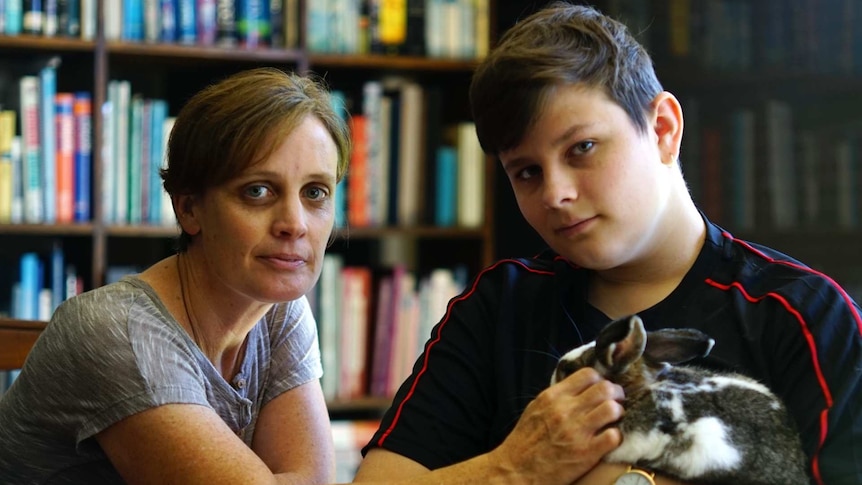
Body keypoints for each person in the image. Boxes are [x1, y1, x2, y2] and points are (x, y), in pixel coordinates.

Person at [354, 3, 862, 485]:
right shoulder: (497, 308)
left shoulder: (806, 315)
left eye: (583, 148)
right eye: (526, 172)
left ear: (663, 129)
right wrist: (517, 467)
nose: (555, 193)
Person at [0, 67, 351, 483]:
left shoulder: (280, 312)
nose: (294, 224)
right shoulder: (119, 332)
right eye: (258, 191)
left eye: (315, 193)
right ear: (188, 209)